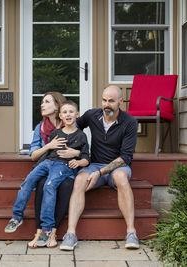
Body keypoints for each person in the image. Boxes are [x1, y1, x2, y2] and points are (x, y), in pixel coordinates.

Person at [59, 85, 139, 251]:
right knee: (80, 180)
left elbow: (125, 158)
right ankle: (70, 233)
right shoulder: (92, 115)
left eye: (111, 101)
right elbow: (71, 128)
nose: (106, 104)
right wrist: (77, 151)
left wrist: (100, 172)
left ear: (120, 102)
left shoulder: (130, 122)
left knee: (120, 177)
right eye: (104, 100)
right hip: (94, 164)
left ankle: (131, 232)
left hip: (118, 167)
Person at [5, 100, 89, 247]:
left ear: (77, 114)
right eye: (64, 112)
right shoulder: (55, 133)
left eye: (71, 112)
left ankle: (47, 227)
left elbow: (86, 158)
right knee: (28, 181)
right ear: (60, 117)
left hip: (63, 165)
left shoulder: (81, 136)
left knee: (49, 186)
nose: (68, 114)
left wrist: (78, 161)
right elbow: (49, 152)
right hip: (48, 162)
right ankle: (17, 216)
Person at [26, 92, 80, 249]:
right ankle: (40, 232)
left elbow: (82, 150)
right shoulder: (40, 128)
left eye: (46, 102)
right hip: (47, 166)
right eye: (42, 102)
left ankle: (53, 231)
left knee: (66, 186)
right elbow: (33, 155)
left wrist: (75, 153)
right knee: (42, 184)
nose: (42, 105)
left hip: (67, 168)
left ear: (57, 106)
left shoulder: (69, 123)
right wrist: (49, 146)